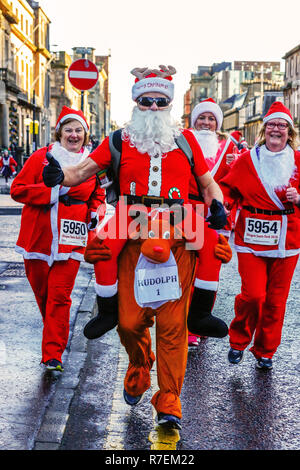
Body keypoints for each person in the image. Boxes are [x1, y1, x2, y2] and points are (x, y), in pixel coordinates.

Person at [42, 66, 228, 428]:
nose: (154, 107)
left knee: (174, 326)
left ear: (170, 105)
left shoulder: (186, 141)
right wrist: (59, 177)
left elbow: (208, 185)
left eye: (161, 102)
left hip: (178, 237)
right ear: (136, 102)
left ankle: (169, 398)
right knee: (129, 322)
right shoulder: (117, 140)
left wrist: (217, 204)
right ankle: (140, 364)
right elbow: (81, 172)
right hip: (132, 236)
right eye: (147, 101)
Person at [10, 106, 105, 372]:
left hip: (71, 238)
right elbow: (18, 190)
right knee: (44, 295)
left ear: (85, 135)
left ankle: (53, 354)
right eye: (68, 130)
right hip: (37, 237)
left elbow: (98, 196)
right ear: (60, 133)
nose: (73, 135)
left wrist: (94, 214)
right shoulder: (42, 157)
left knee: (59, 296)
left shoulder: (92, 163)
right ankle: (54, 332)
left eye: (78, 131)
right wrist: (52, 193)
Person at [219, 101, 300, 370]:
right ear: (264, 130)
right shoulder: (247, 160)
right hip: (251, 238)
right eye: (272, 125)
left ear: (289, 132)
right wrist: (222, 211)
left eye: (282, 126)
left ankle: (265, 349)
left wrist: (298, 198)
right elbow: (227, 190)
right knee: (253, 295)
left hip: (287, 240)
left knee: (276, 301)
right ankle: (238, 339)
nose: (277, 130)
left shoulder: (298, 161)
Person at [186, 99, 239, 348]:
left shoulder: (230, 148)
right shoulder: (182, 143)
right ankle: (187, 325)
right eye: (201, 118)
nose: (206, 123)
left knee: (210, 272)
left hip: (218, 216)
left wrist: (223, 204)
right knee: (187, 269)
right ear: (193, 121)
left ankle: (201, 317)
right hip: (187, 213)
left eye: (211, 119)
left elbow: (234, 183)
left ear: (218, 123)